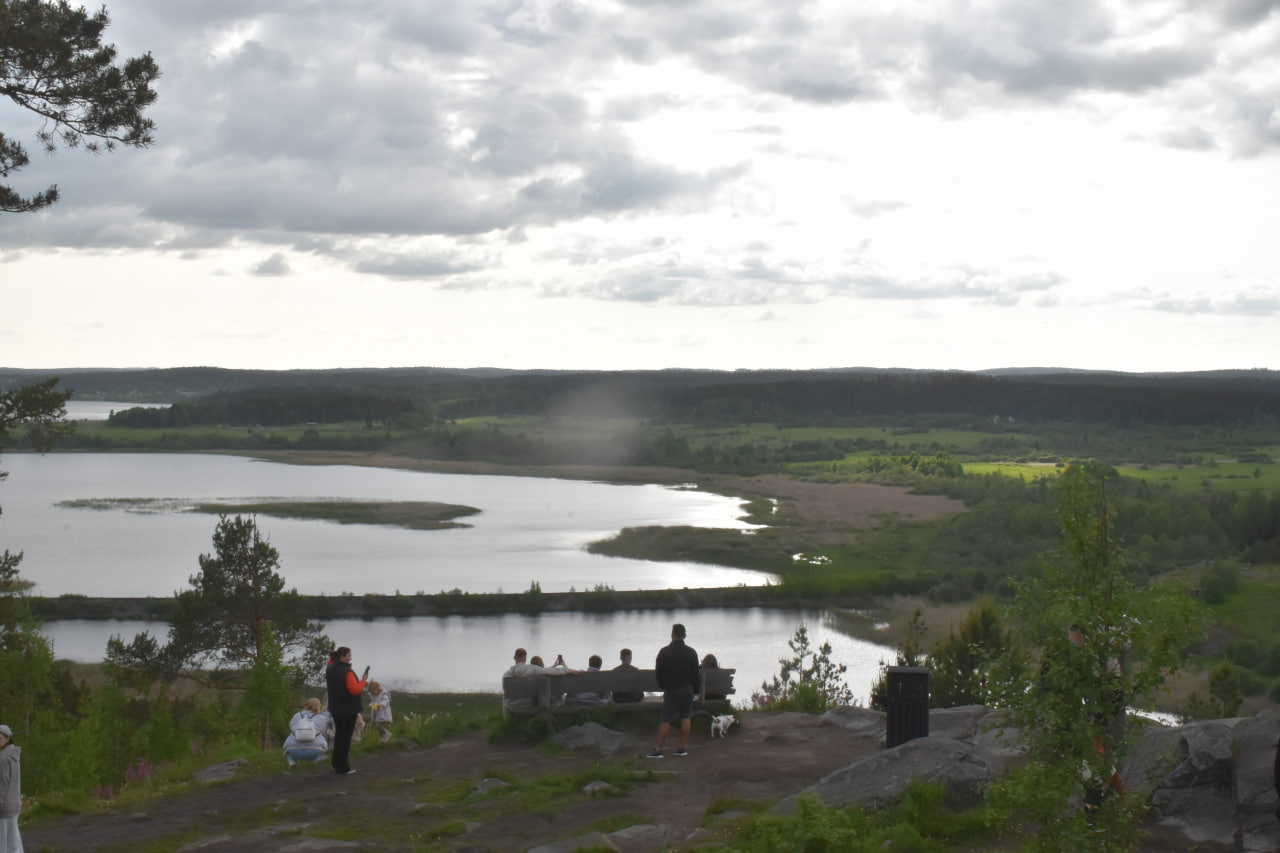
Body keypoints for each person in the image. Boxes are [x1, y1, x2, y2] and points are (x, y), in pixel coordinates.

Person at [649, 623, 700, 758]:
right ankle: (681, 747)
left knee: (666, 719)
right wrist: (696, 690)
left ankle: (658, 749)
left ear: (672, 634)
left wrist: (663, 685)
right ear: (684, 635)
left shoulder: (664, 652)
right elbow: (696, 674)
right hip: (688, 689)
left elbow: (658, 672)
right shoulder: (691, 652)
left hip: (672, 689)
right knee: (685, 716)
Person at [326, 646, 368, 776]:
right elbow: (354, 690)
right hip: (348, 709)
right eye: (349, 655)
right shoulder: (347, 672)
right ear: (343, 656)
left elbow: (331, 662)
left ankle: (336, 764)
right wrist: (364, 681)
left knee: (339, 736)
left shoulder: (330, 669)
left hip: (335, 708)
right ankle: (343, 767)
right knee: (345, 738)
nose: (350, 658)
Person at [283, 698, 329, 767]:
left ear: (306, 705)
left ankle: (291, 761)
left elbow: (291, 727)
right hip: (315, 750)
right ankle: (316, 760)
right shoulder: (321, 718)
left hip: (294, 750)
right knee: (321, 738)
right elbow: (323, 732)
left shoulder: (297, 715)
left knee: (291, 737)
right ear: (318, 706)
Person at [0, 725, 20, 853]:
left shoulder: (3, 759)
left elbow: (1, 785)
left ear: (7, 739)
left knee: (2, 844)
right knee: (13, 843)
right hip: (14, 805)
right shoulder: (13, 756)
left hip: (3, 808)